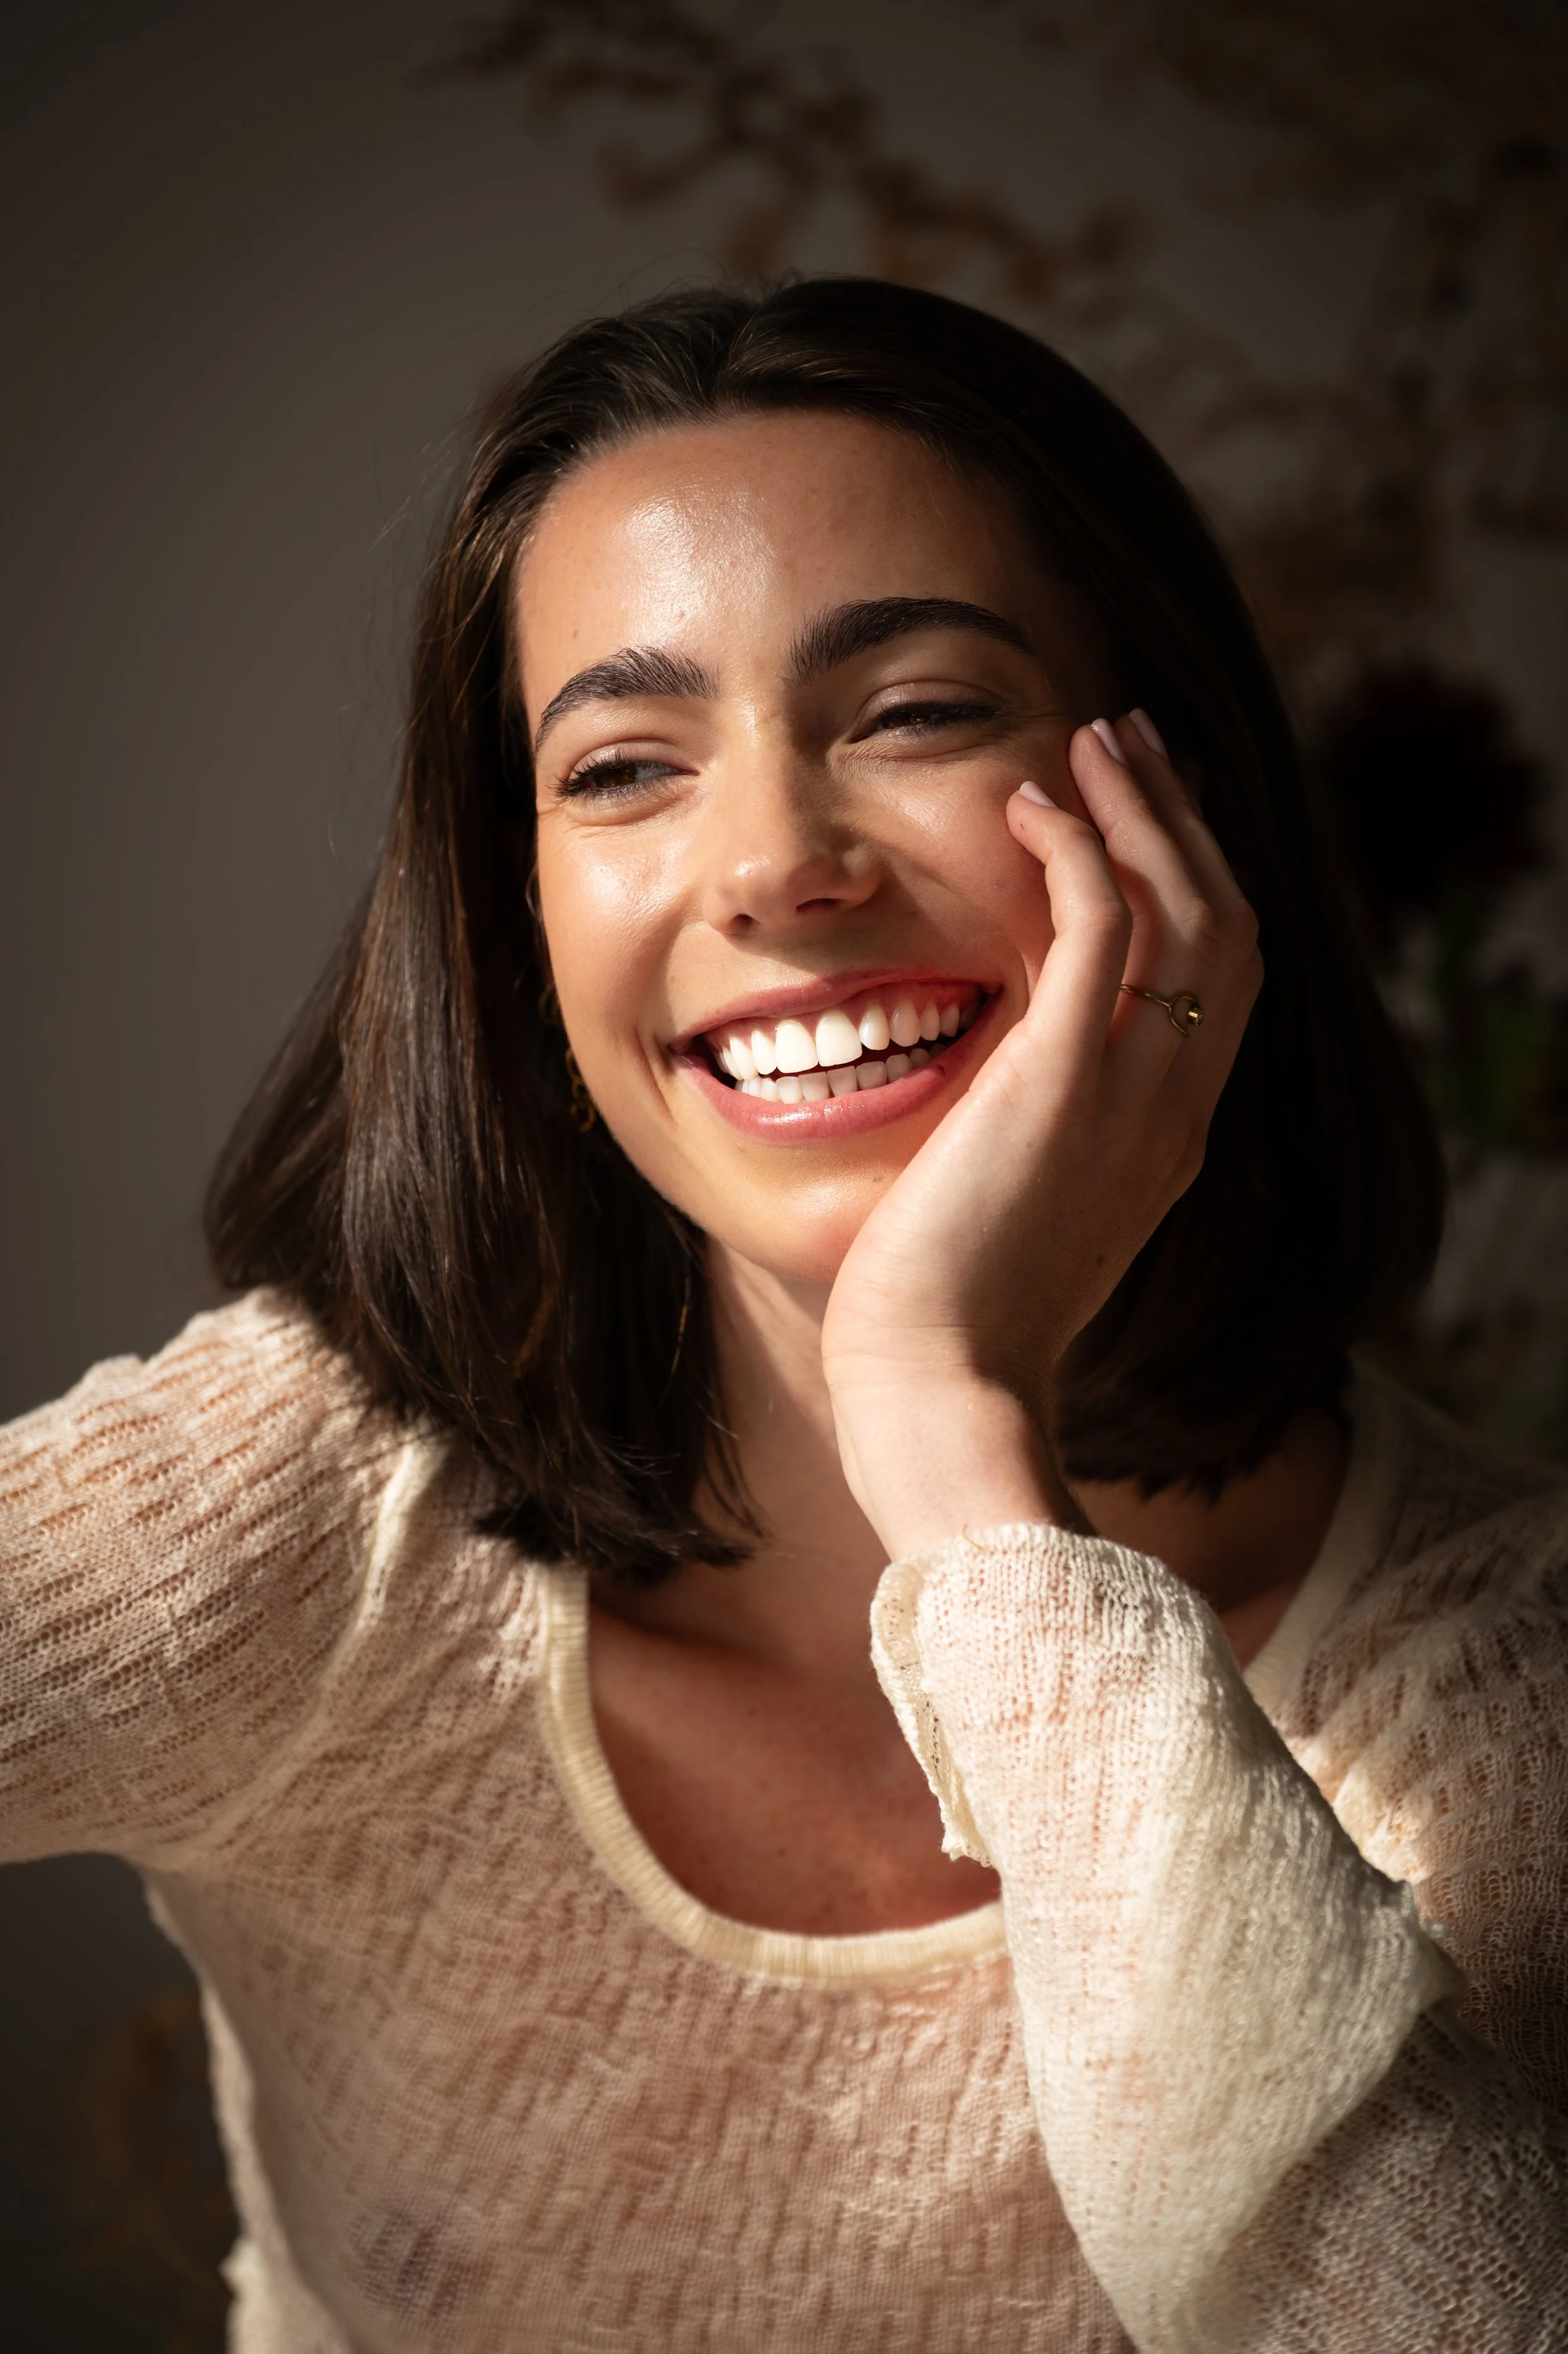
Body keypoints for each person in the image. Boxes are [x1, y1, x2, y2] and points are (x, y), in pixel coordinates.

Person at [3, 278, 1564, 2353]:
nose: (768, 866)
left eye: (914, 712)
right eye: (625, 766)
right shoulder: (313, 1509)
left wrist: (951, 1431)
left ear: (1176, 816)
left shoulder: (1505, 1680)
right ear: (520, 907)